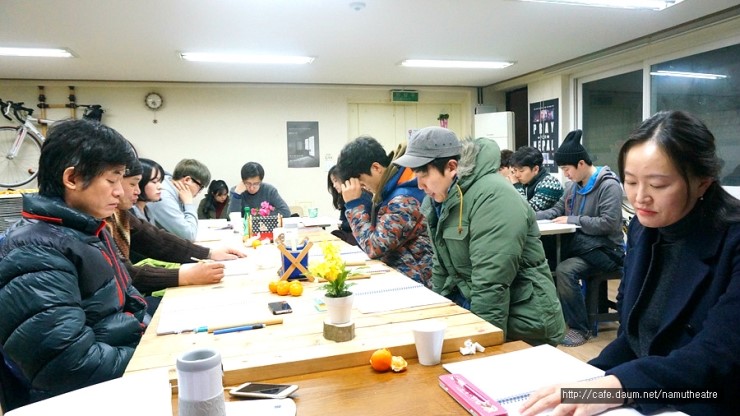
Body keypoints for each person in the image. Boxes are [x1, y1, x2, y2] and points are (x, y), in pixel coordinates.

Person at [522, 111, 740, 415]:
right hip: (652, 390)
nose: (640, 198)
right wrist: (589, 378)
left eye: (658, 185)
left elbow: (718, 354)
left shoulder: (732, 241)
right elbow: (634, 337)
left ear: (703, 183)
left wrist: (619, 386)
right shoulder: (644, 229)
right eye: (631, 181)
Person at [0, 119, 146, 408]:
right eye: (112, 180)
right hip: (79, 401)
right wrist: (150, 359)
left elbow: (128, 302)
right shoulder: (36, 249)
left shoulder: (84, 230)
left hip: (113, 376)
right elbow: (67, 365)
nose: (120, 191)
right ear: (73, 178)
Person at [394, 127, 565, 345]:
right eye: (416, 176)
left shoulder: (493, 196)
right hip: (473, 308)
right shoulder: (440, 200)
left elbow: (491, 283)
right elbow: (441, 268)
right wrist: (438, 315)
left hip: (522, 320)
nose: (420, 186)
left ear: (451, 167)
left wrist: (484, 344)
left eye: (424, 175)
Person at [107, 161, 245, 316]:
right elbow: (124, 274)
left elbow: (157, 240)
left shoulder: (120, 214)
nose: (137, 191)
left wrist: (209, 253)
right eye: (133, 184)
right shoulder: (104, 218)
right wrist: (185, 275)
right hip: (118, 309)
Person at [536, 129, 625, 347]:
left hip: (607, 251)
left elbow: (608, 223)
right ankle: (562, 318)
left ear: (581, 164)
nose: (565, 174)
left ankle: (580, 328)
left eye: (567, 169)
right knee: (550, 262)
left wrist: (573, 219)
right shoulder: (572, 187)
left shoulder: (609, 186)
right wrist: (528, 216)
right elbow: (557, 211)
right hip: (583, 248)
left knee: (565, 270)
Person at [336, 135, 434, 288]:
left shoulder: (403, 200)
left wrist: (354, 205)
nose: (364, 189)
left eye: (362, 183)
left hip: (417, 285)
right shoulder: (391, 189)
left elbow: (374, 247)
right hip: (405, 278)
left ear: (376, 168)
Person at [146, 158, 211, 241]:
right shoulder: (163, 196)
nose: (200, 191)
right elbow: (189, 235)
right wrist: (188, 203)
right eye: (200, 186)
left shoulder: (171, 187)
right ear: (187, 180)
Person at [326, 165, 370, 246]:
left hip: (362, 236)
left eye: (335, 181)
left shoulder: (361, 195)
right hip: (352, 233)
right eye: (332, 182)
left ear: (345, 179)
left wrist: (342, 224)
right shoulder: (344, 197)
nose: (334, 185)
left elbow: (360, 223)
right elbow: (343, 220)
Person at [510, 146, 563, 211]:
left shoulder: (549, 183)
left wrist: (517, 185)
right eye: (515, 170)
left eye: (521, 171)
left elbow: (527, 211)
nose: (517, 175)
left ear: (535, 169)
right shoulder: (525, 181)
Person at [132, 157, 164, 222]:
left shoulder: (146, 210)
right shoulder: (132, 213)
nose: (160, 187)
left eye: (160, 181)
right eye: (154, 182)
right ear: (140, 182)